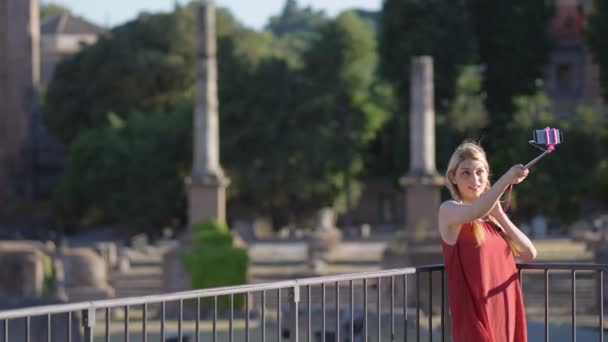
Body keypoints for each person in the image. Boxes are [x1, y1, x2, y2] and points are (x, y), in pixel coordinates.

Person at [438, 141, 537, 342]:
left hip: (506, 312)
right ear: (453, 177)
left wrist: (500, 215)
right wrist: (507, 179)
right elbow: (475, 210)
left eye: (480, 172)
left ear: (487, 174)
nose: (474, 179)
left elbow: (529, 253)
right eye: (465, 173)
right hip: (476, 318)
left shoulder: (490, 219)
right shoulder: (449, 210)